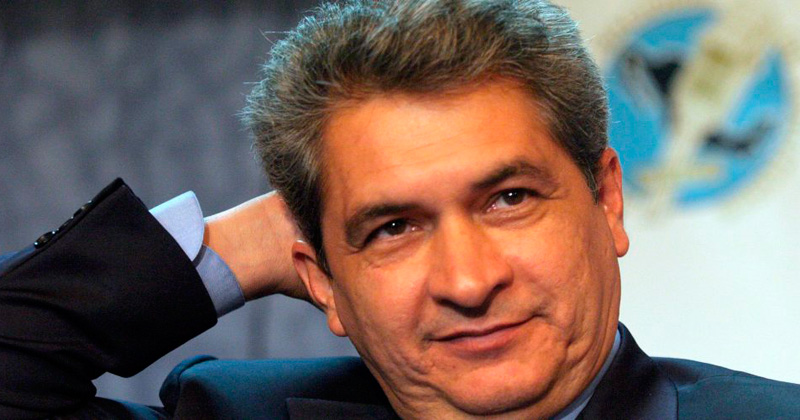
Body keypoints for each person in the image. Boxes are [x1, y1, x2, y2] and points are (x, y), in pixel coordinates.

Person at [1, 0, 799, 419]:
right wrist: (241, 248)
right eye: (393, 227)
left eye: (509, 199)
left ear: (607, 200)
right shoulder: (232, 414)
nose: (468, 281)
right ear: (321, 278)